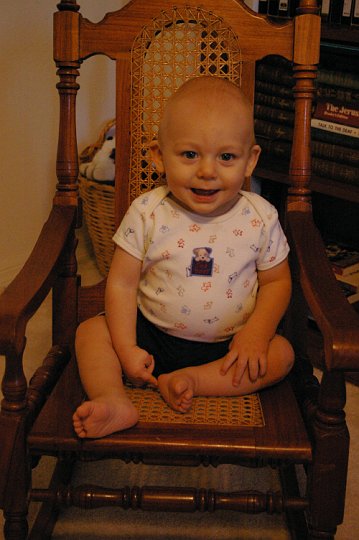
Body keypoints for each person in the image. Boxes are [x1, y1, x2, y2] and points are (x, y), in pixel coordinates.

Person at [73, 76, 294, 439]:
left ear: (250, 161)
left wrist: (257, 333)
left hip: (230, 347)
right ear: (159, 156)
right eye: (190, 154)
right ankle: (112, 399)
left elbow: (277, 281)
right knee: (90, 332)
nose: (207, 171)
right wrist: (127, 348)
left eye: (226, 157)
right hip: (151, 336)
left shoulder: (260, 217)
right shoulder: (148, 212)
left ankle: (192, 380)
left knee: (281, 355)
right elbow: (123, 283)